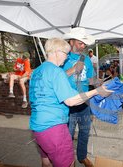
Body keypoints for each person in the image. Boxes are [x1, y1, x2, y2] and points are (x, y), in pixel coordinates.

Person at [29, 38, 111, 167]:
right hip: (54, 126)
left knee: (46, 161)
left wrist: (97, 83)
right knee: (67, 163)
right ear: (56, 52)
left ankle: (82, 156)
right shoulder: (56, 71)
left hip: (38, 126)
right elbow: (71, 100)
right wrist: (97, 91)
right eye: (65, 53)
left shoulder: (37, 71)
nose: (66, 57)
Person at [62, 27, 96, 167]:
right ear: (71, 41)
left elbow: (90, 79)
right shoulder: (62, 57)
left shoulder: (86, 59)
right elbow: (55, 79)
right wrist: (72, 69)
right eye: (80, 43)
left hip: (84, 103)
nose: (83, 46)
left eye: (84, 43)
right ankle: (68, 160)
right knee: (67, 136)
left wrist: (102, 82)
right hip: (68, 105)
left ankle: (82, 157)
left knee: (84, 132)